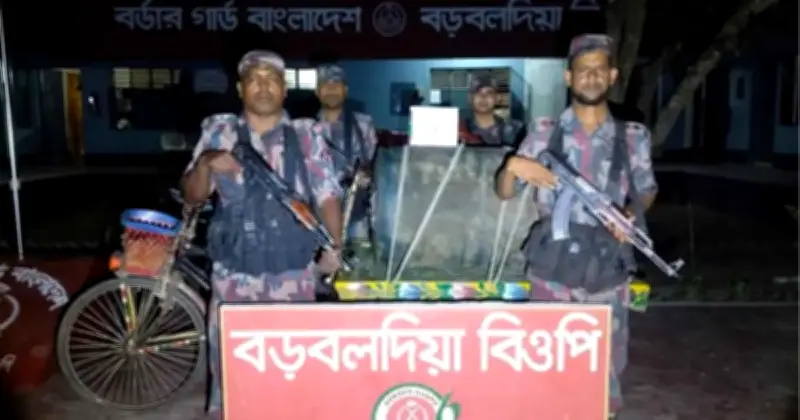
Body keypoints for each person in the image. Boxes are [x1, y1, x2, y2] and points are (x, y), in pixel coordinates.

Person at [494, 34, 658, 419]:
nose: (591, 77)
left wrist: (629, 214)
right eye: (583, 70)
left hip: (607, 270)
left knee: (605, 372)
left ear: (612, 76)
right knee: (547, 366)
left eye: (599, 69)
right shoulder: (543, 132)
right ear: (569, 77)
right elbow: (505, 193)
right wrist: (512, 167)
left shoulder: (633, 136)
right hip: (553, 269)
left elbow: (647, 190)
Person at [181, 50, 343, 419]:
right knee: (231, 372)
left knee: (293, 370)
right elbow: (193, 195)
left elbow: (328, 196)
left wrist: (334, 247)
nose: (263, 86)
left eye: (271, 79)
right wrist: (205, 163)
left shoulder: (307, 136)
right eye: (254, 79)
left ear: (284, 89)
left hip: (292, 277)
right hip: (233, 280)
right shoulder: (219, 132)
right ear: (241, 89)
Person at [314, 64, 378, 240]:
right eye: (326, 86)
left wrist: (366, 173)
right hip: (320, 218)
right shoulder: (307, 129)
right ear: (317, 91)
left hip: (357, 216)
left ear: (346, 90)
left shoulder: (363, 125)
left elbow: (375, 163)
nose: (332, 90)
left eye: (337, 85)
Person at [461, 75, 525, 146]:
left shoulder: (515, 129)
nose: (483, 97)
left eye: (489, 93)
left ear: (498, 98)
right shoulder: (460, 129)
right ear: (470, 98)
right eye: (478, 93)